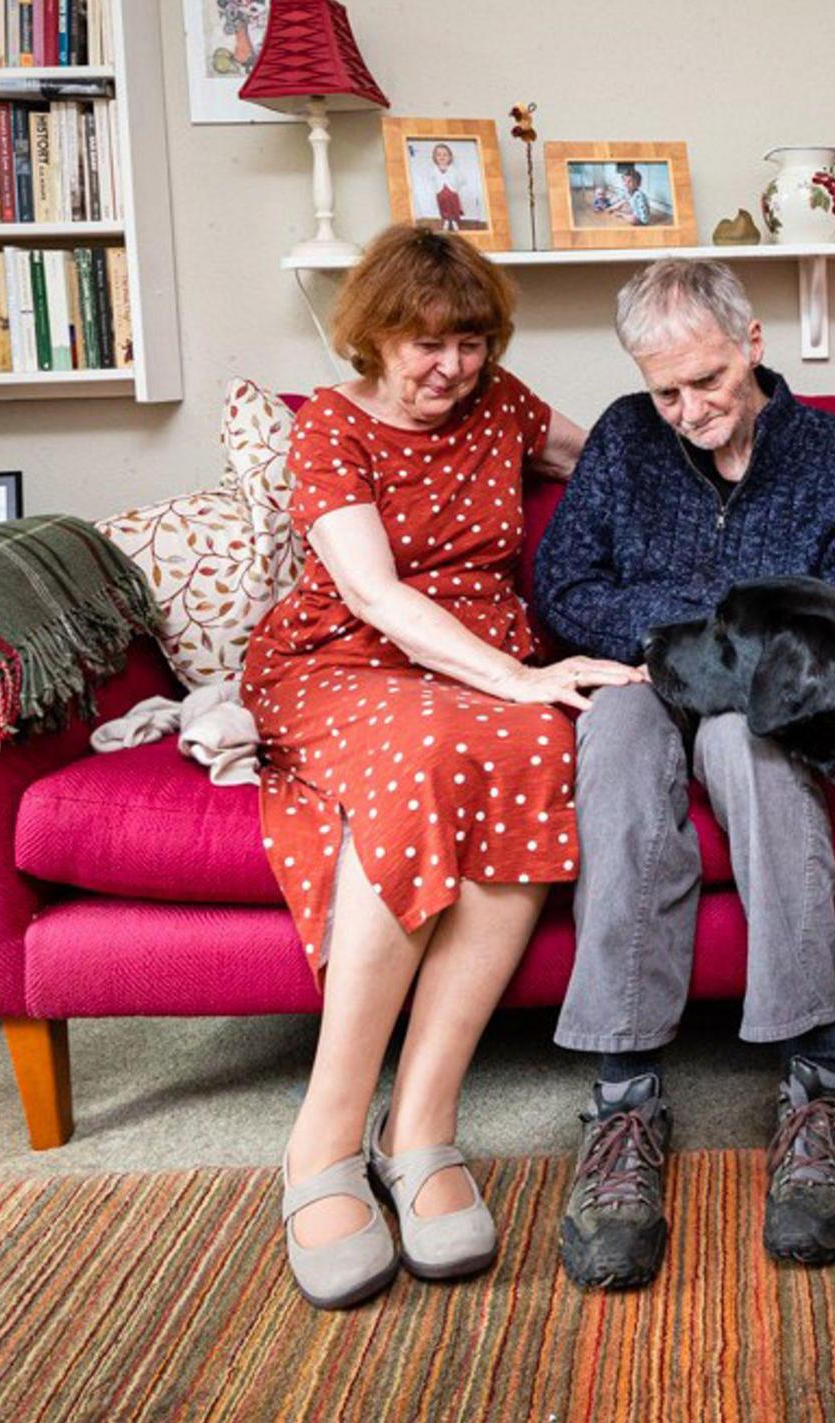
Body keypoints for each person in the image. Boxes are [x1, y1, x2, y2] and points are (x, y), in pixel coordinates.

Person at [243, 226, 637, 1310]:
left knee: (539, 742)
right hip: (346, 660)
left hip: (478, 672)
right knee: (428, 750)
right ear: (372, 337)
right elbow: (373, 596)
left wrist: (728, 435)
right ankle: (323, 1134)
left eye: (468, 341)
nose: (448, 368)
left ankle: (421, 1119)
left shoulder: (500, 403)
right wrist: (516, 676)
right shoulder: (330, 428)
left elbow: (614, 455)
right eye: (423, 345)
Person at [532, 259, 835, 1289]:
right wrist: (659, 644)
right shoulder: (621, 437)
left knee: (754, 748)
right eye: (665, 391)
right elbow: (563, 580)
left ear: (750, 336)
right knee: (610, 743)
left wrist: (745, 672)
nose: (688, 409)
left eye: (706, 380)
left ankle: (819, 1080)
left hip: (768, 692)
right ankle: (622, 1097)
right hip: (644, 671)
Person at [426, 142, 467, 232]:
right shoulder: (434, 170)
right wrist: (434, 188)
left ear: (450, 157)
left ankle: (454, 220)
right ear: (435, 157)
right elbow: (431, 180)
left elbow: (461, 179)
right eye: (439, 155)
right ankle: (446, 220)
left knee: (453, 206)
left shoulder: (454, 169)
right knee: (443, 207)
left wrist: (456, 187)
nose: (442, 157)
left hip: (451, 191)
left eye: (445, 155)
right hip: (440, 192)